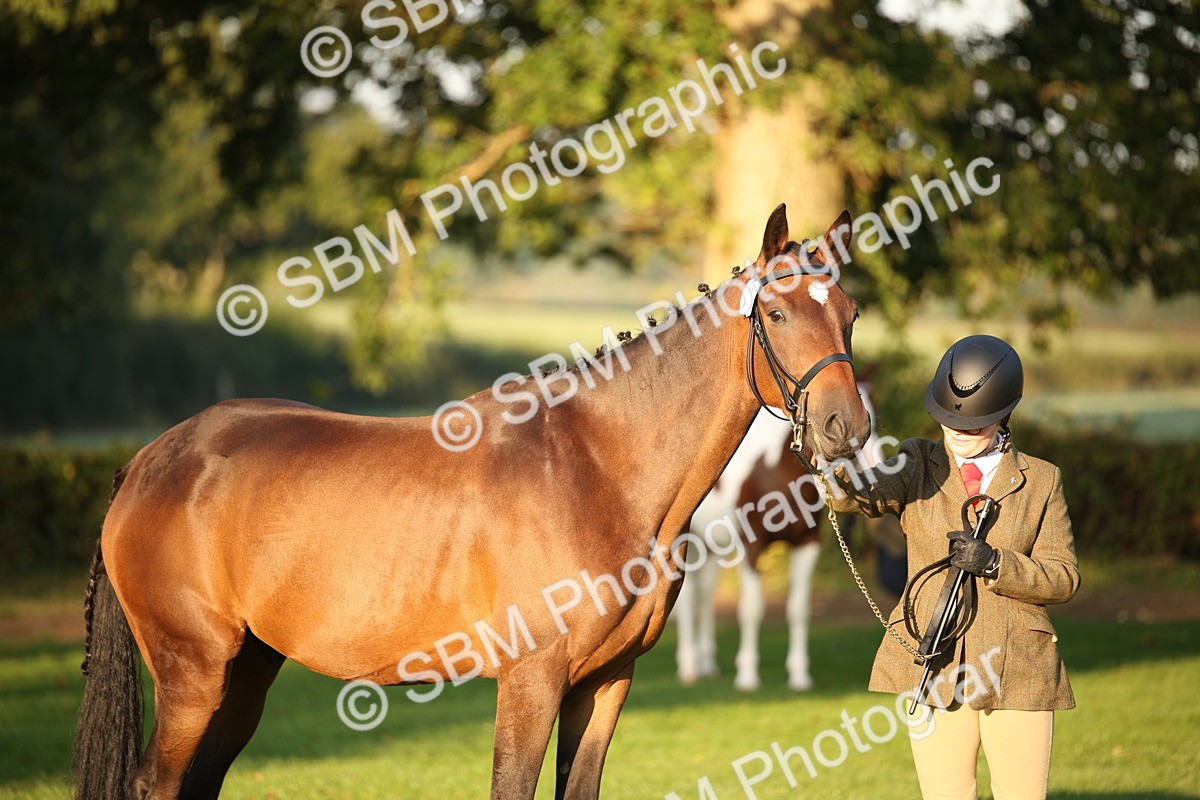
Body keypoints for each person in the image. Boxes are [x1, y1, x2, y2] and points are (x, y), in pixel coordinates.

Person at [820, 334, 1079, 800]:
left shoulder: (1042, 480)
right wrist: (833, 471)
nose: (958, 430)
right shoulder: (917, 461)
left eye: (974, 423)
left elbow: (1063, 577)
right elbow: (867, 493)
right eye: (947, 418)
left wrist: (998, 564)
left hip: (1019, 666)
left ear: (1003, 414)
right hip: (935, 661)